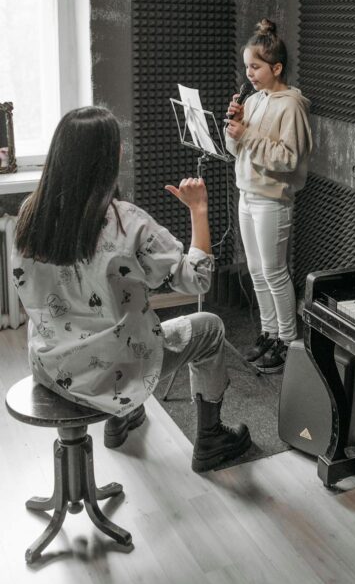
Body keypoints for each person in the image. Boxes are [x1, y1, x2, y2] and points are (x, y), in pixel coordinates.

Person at [12, 106, 251, 473]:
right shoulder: (128, 222)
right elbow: (197, 279)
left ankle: (122, 416)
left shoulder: (31, 214)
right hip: (114, 370)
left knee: (107, 325)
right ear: (112, 156)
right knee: (210, 328)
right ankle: (211, 439)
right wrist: (199, 210)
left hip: (51, 365)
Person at [225, 18, 313, 373]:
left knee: (274, 272)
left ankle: (288, 342)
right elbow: (236, 151)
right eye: (247, 66)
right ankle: (269, 332)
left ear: (276, 68)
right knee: (256, 271)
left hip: (271, 199)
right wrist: (234, 128)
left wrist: (246, 135)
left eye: (256, 67)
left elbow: (288, 159)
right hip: (247, 194)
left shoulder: (291, 106)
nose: (249, 73)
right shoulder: (254, 100)